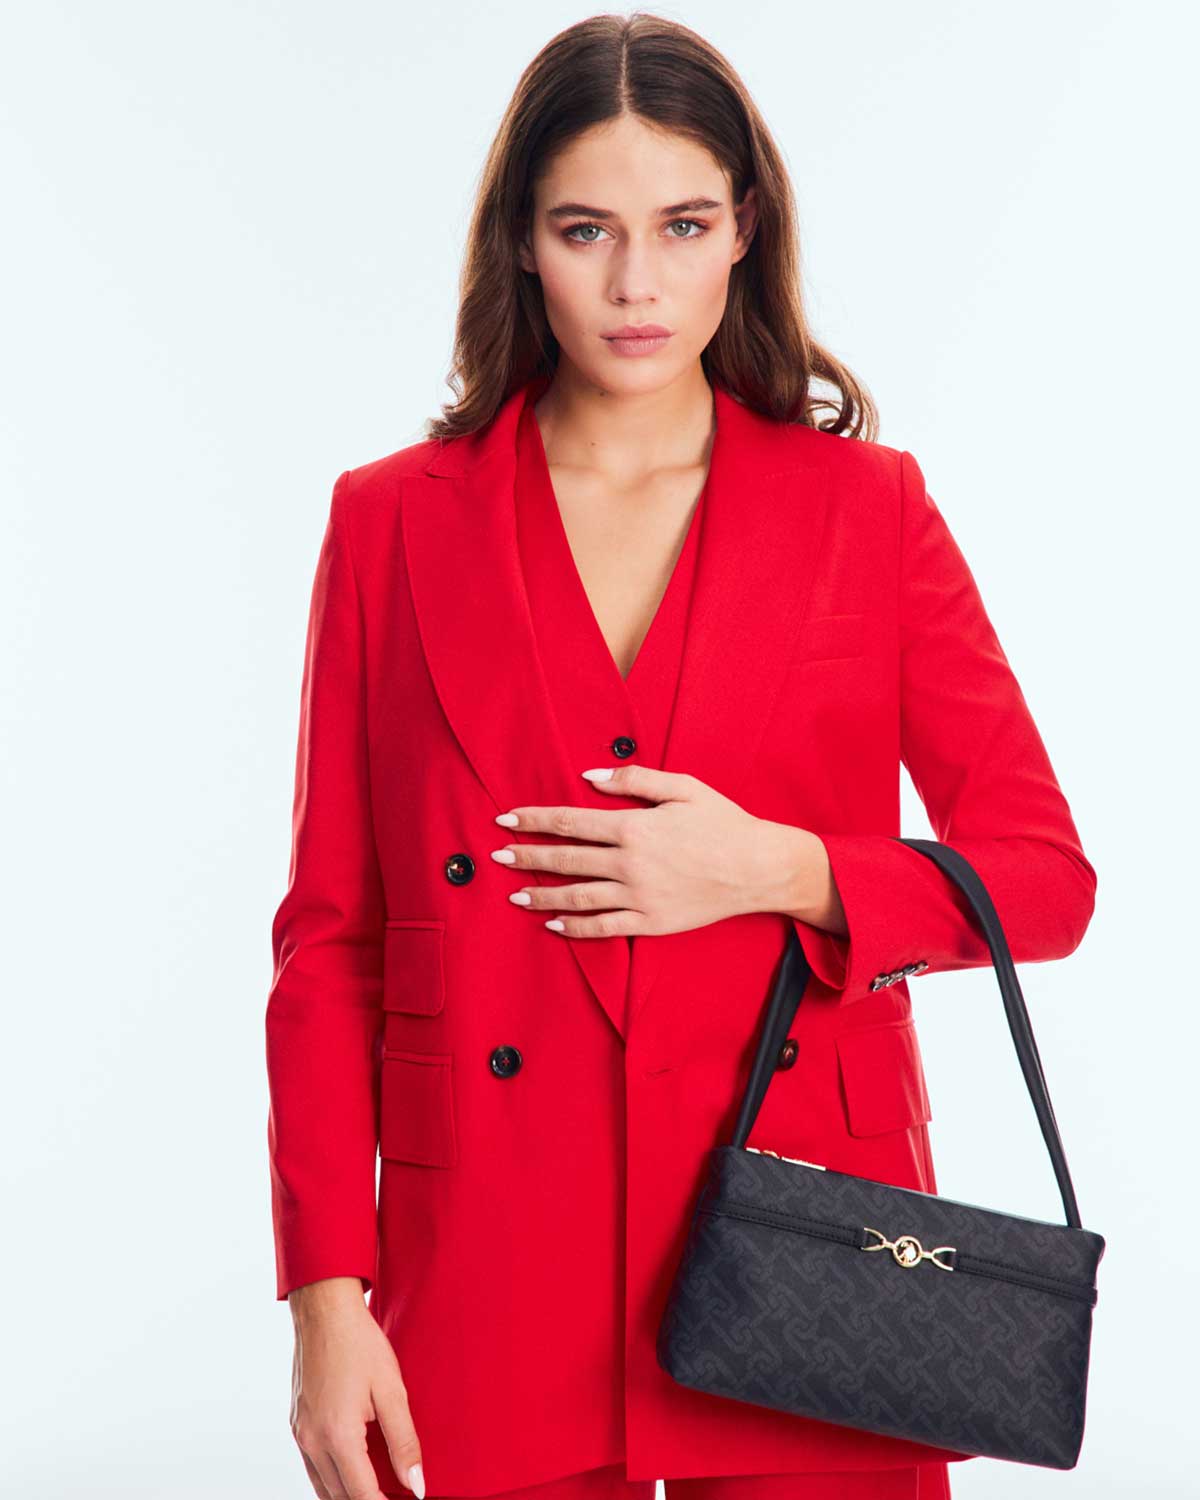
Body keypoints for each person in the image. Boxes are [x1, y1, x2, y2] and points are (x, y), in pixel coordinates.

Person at [264, 14, 1096, 1500]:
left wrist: (780, 869)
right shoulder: (390, 523)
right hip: (489, 1264)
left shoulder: (867, 510)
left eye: (684, 225)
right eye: (586, 229)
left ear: (745, 231)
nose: (636, 284)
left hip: (808, 1250)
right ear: (522, 243)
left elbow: (1045, 882)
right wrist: (327, 1297)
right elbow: (331, 941)